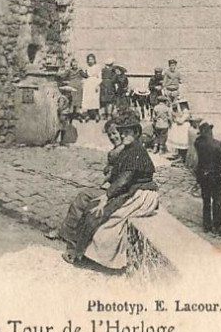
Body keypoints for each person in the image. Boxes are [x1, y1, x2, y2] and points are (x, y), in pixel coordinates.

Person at [63, 112, 158, 271]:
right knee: (93, 207)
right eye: (122, 132)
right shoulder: (129, 148)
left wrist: (106, 197)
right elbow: (118, 174)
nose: (123, 135)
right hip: (131, 190)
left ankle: (83, 255)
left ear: (135, 132)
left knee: (99, 213)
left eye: (127, 132)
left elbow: (125, 179)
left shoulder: (136, 151)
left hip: (140, 195)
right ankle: (78, 245)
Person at [46, 120, 124, 241]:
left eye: (115, 133)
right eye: (110, 135)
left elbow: (120, 177)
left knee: (83, 197)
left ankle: (67, 233)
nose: (112, 137)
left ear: (122, 133)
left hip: (117, 192)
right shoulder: (122, 149)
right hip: (118, 190)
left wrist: (108, 180)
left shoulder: (118, 152)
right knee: (87, 196)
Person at [194, 121, 221, 236]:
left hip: (203, 176)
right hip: (214, 176)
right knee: (217, 201)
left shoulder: (198, 143)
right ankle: (217, 226)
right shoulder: (217, 144)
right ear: (209, 131)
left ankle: (206, 225)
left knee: (206, 200)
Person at [80, 53, 102, 121]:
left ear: (94, 60)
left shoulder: (97, 67)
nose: (90, 61)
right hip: (88, 84)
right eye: (89, 59)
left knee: (95, 99)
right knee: (88, 99)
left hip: (95, 83)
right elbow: (85, 76)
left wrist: (97, 85)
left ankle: (96, 115)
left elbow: (100, 77)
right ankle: (88, 115)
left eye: (92, 59)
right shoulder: (87, 67)